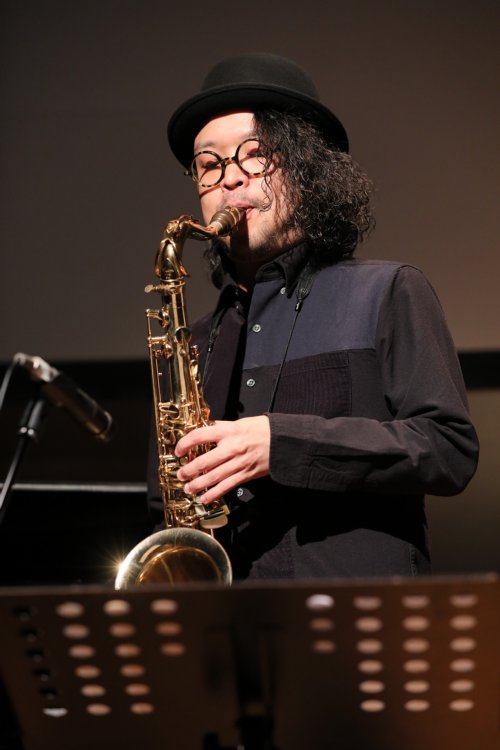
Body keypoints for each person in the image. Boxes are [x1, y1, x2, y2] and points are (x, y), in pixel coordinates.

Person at [148, 52, 479, 580]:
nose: (230, 179)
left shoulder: (387, 291)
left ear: (308, 171)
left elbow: (448, 449)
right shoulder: (192, 337)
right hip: (232, 618)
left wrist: (282, 444)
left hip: (361, 616)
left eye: (255, 155)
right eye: (209, 165)